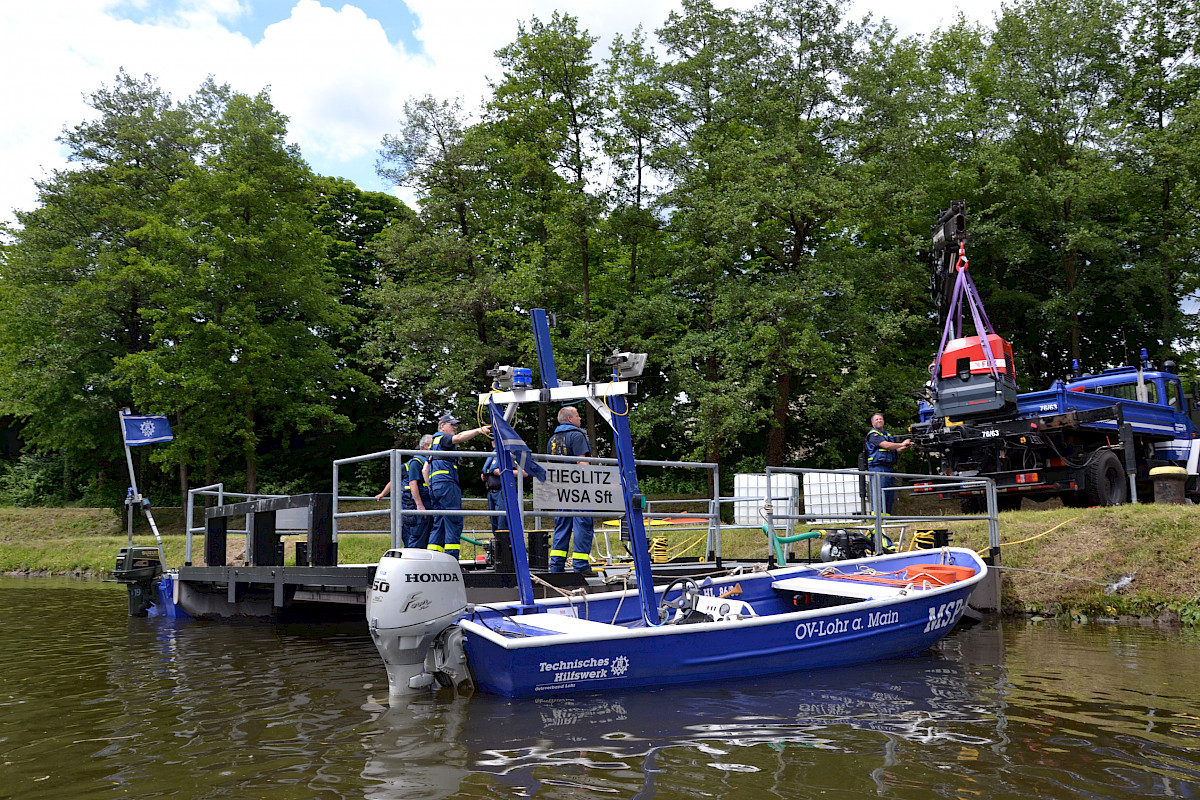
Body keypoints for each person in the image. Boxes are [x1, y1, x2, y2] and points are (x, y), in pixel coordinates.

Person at [427, 413, 491, 559]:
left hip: (435, 487)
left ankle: (433, 559)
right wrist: (478, 431)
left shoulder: (433, 444)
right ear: (442, 426)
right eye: (452, 424)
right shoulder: (442, 438)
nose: (455, 427)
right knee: (453, 522)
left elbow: (425, 469)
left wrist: (431, 486)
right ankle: (451, 560)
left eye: (456, 424)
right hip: (447, 484)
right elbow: (459, 438)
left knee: (439, 523)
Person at [547, 406, 594, 574]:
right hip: (578, 488)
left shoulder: (552, 439)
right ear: (569, 419)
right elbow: (582, 463)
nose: (580, 419)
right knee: (583, 524)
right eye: (577, 415)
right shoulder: (577, 435)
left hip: (560, 488)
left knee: (562, 525)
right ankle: (581, 567)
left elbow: (551, 465)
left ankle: (556, 566)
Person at [375, 434, 434, 548]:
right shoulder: (414, 463)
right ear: (426, 446)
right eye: (434, 444)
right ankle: (412, 559)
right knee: (414, 534)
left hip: (419, 501)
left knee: (422, 534)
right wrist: (382, 494)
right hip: (411, 502)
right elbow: (394, 482)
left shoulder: (428, 462)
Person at [865, 412, 912, 515]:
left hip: (889, 467)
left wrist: (905, 446)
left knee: (889, 493)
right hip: (878, 467)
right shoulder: (873, 435)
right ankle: (877, 518)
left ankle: (887, 517)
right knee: (879, 493)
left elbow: (895, 450)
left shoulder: (887, 434)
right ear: (873, 423)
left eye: (880, 419)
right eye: (876, 419)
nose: (879, 420)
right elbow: (886, 446)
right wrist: (901, 444)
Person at [481, 454, 503, 537]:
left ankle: (503, 545)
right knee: (494, 523)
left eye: (494, 440)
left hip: (502, 492)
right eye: (491, 440)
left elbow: (523, 472)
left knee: (502, 523)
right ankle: (497, 544)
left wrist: (502, 472)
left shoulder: (509, 453)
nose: (493, 441)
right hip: (491, 493)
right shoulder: (492, 454)